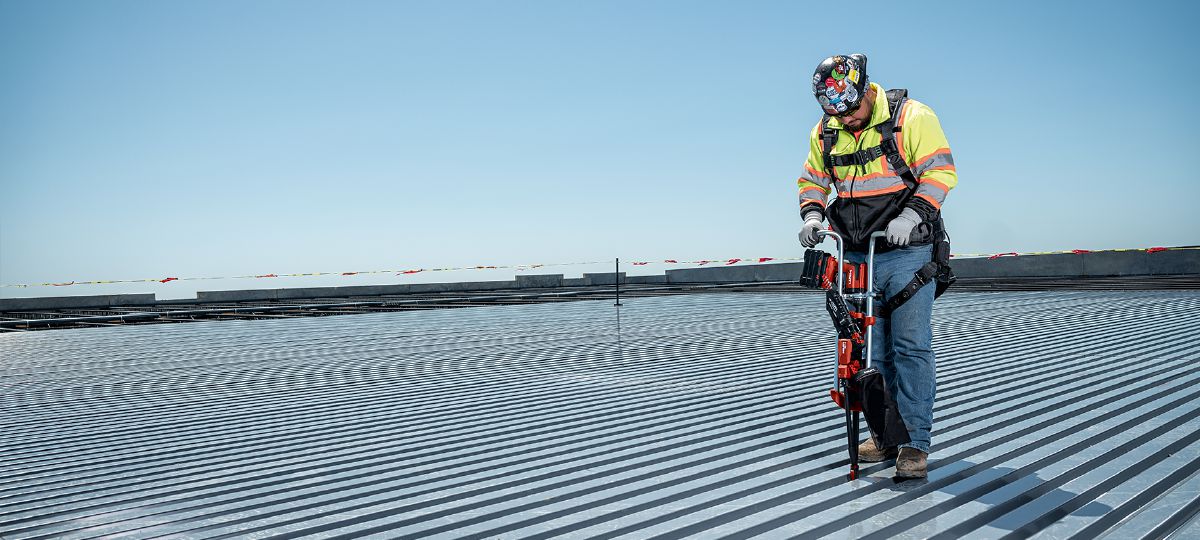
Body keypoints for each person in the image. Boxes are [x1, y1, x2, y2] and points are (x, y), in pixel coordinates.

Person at [796, 54, 958, 478]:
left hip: (908, 252)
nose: (846, 120)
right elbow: (813, 179)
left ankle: (914, 446)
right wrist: (813, 215)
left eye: (851, 110)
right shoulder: (827, 130)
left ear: (866, 89)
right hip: (856, 253)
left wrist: (914, 215)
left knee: (909, 348)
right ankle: (885, 438)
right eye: (836, 113)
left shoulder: (912, 117)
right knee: (870, 354)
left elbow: (940, 174)